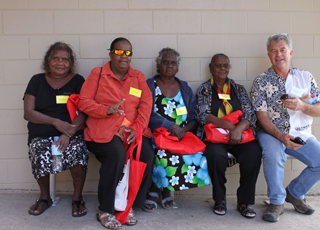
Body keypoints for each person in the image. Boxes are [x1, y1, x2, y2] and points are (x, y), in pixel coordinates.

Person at [250, 33, 320, 222]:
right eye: (273, 51)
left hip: (301, 133)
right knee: (274, 154)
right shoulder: (261, 81)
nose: (278, 54)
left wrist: (303, 106)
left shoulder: (305, 77)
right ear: (268, 55)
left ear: (290, 53)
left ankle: (295, 193)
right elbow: (261, 117)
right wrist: (281, 136)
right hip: (271, 132)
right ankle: (276, 201)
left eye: (282, 50)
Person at [78, 37, 154, 229]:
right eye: (119, 52)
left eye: (128, 53)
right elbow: (83, 102)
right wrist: (106, 110)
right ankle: (105, 209)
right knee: (116, 154)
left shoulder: (138, 77)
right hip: (102, 131)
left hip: (131, 131)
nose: (124, 56)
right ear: (111, 54)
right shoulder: (98, 74)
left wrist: (137, 128)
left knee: (146, 155)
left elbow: (146, 105)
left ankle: (128, 207)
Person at [23, 42, 89, 217]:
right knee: (38, 148)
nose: (60, 63)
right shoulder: (36, 80)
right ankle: (45, 197)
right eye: (56, 58)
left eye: (65, 59)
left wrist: (69, 132)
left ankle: (77, 198)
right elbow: (28, 113)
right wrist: (55, 122)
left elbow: (84, 112)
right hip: (42, 132)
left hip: (71, 132)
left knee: (77, 149)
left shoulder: (78, 81)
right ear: (48, 60)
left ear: (71, 62)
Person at [142, 48, 209, 213]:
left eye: (173, 63)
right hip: (157, 134)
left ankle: (165, 189)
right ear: (159, 65)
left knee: (197, 154)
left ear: (177, 66)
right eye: (165, 62)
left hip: (182, 135)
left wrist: (184, 131)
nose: (169, 66)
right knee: (162, 153)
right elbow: (146, 114)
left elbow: (194, 117)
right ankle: (156, 190)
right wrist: (170, 126)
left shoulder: (184, 87)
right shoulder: (150, 85)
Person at [195, 54, 262, 218]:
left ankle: (244, 202)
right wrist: (230, 126)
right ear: (211, 68)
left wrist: (238, 129)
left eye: (225, 65)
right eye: (218, 66)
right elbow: (202, 115)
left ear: (229, 68)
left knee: (253, 153)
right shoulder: (204, 89)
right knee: (215, 155)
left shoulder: (238, 89)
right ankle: (220, 200)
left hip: (239, 135)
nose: (222, 69)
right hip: (215, 136)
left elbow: (250, 114)